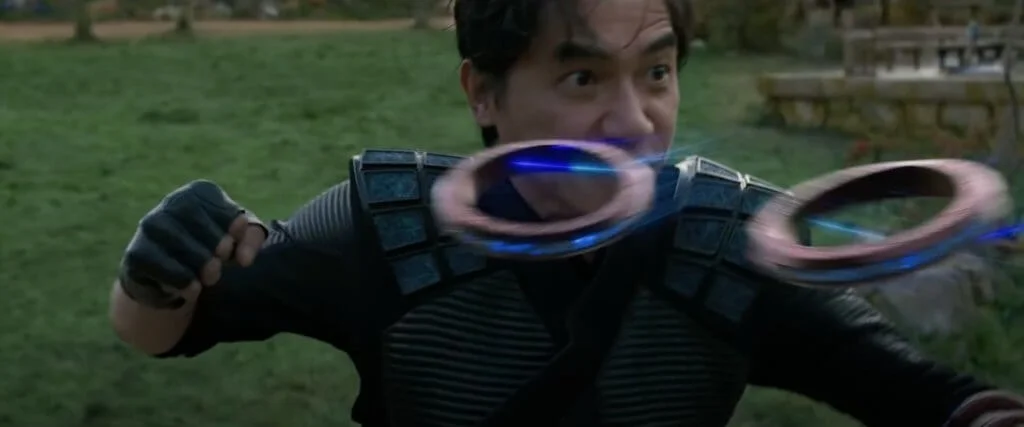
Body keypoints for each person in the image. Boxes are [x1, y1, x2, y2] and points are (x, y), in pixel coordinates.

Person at [108, 0, 1024, 425]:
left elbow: (915, 391)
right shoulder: (388, 226)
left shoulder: (725, 241)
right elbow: (164, 333)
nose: (633, 122)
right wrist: (159, 267)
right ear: (484, 91)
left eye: (656, 71)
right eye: (583, 77)